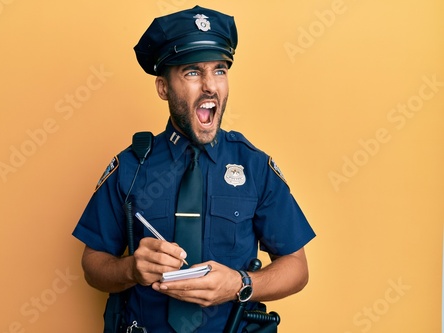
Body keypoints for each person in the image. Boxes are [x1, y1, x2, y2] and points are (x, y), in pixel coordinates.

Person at [72, 5, 315, 333]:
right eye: (192, 72)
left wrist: (239, 284)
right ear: (163, 88)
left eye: (219, 70)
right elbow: (93, 265)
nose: (210, 86)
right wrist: (131, 269)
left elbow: (297, 268)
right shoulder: (131, 165)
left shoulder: (255, 167)